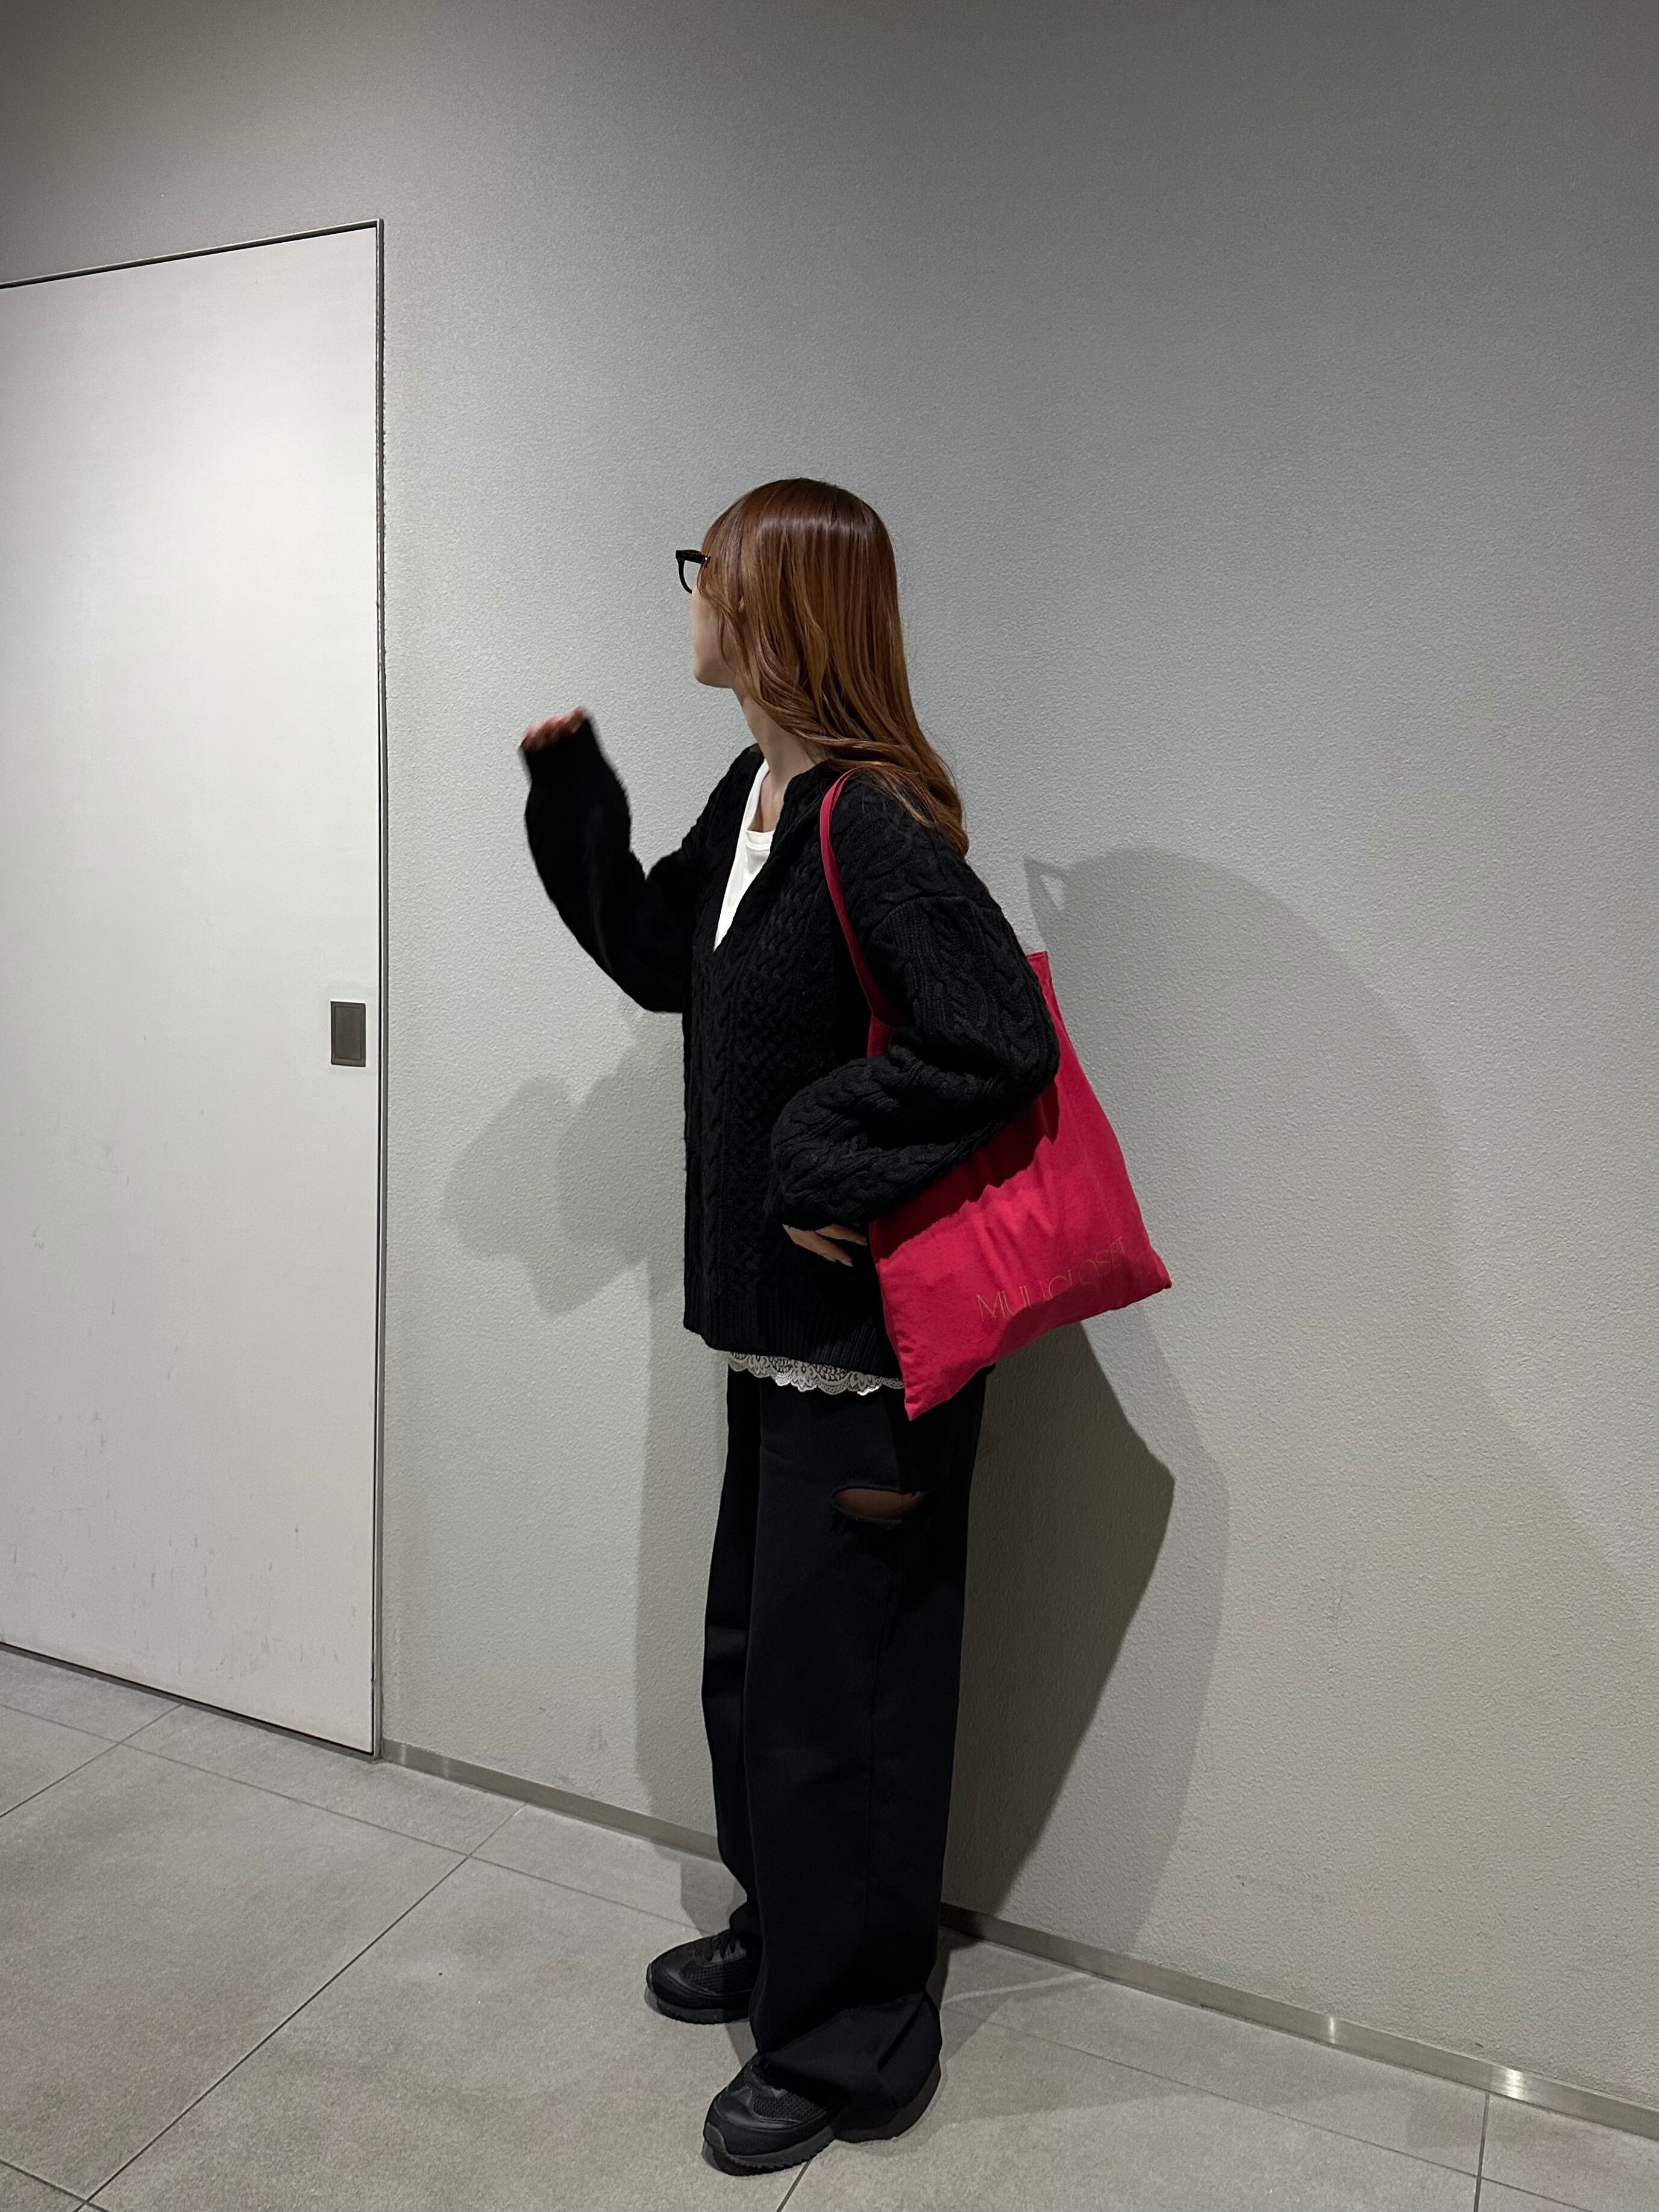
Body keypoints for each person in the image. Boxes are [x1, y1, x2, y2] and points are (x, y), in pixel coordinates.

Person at [518, 476, 1060, 2175]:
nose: (688, 592)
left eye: (709, 569)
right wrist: (571, 800)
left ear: (771, 608)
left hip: (874, 1357)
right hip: (778, 1338)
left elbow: (997, 1039)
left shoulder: (871, 824)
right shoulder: (754, 798)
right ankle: (788, 1934)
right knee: (759, 1670)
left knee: (850, 1703)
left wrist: (822, 1150)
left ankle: (855, 2037)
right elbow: (659, 958)